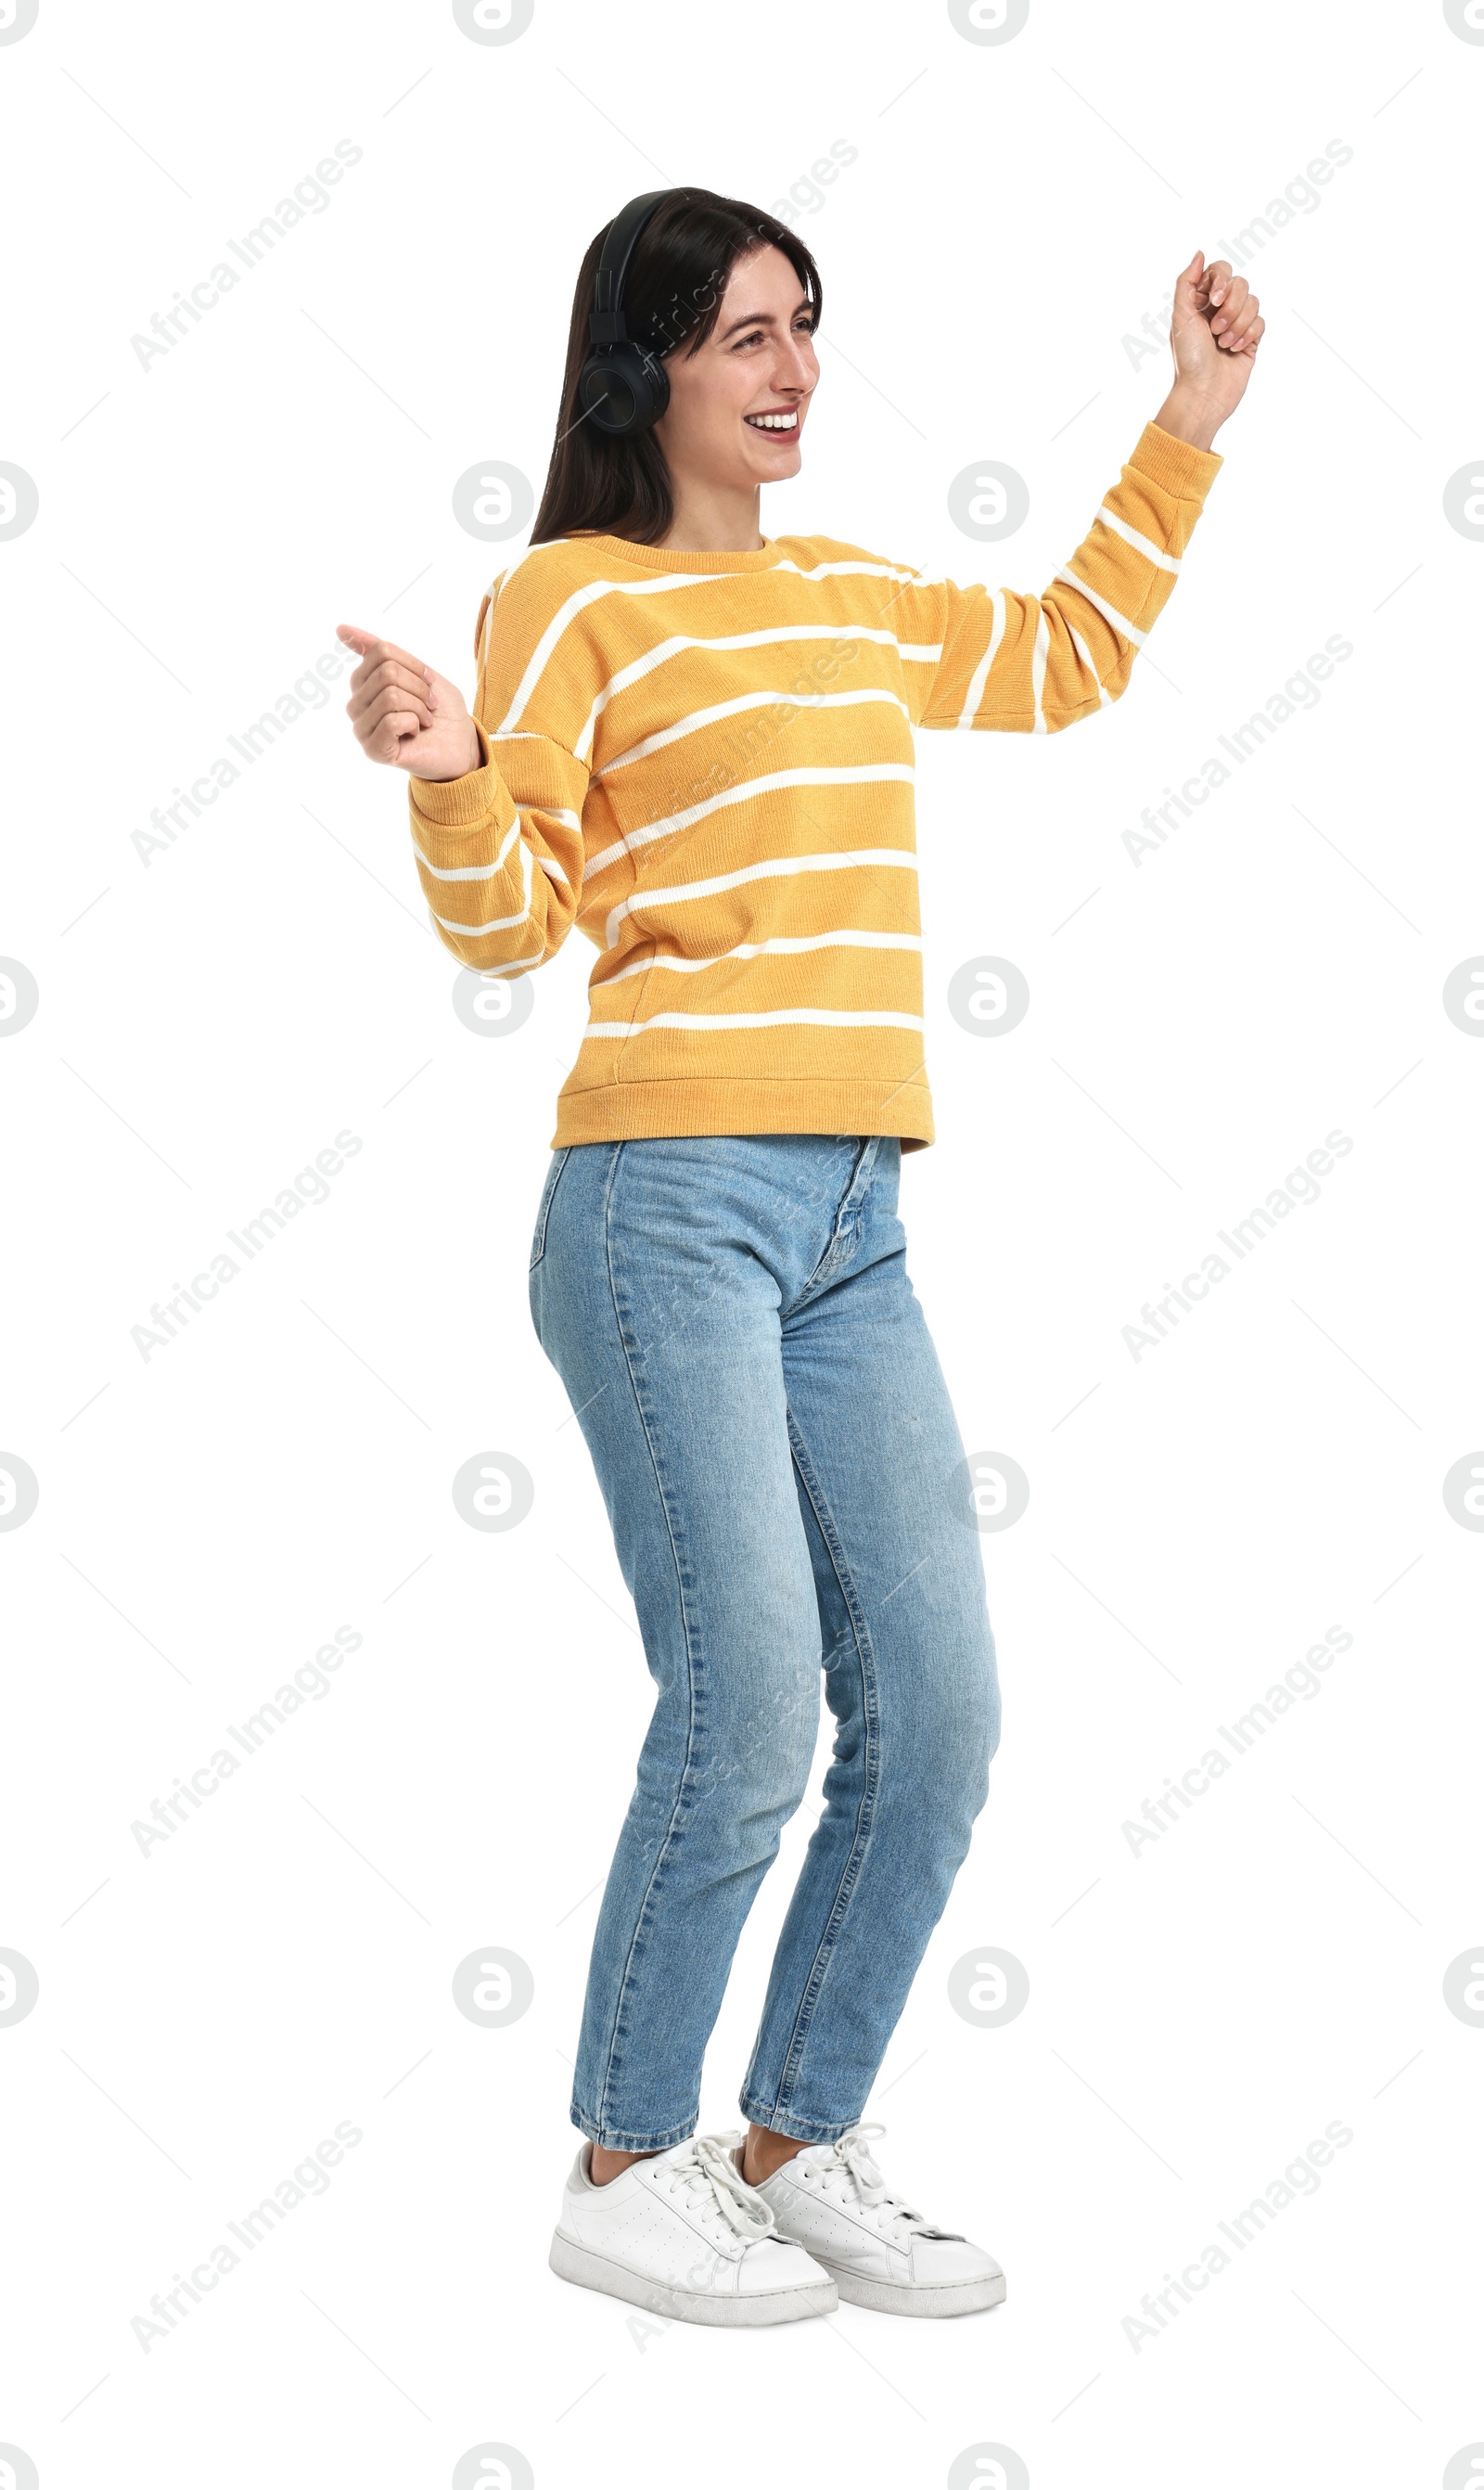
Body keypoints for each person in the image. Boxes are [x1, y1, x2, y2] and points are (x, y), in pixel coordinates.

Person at [339, 187, 1261, 2328]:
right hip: (662, 1200)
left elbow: (1065, 654)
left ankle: (790, 2134)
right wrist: (453, 776)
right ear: (647, 363)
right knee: (749, 1701)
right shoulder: (566, 602)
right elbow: (504, 931)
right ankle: (619, 2155)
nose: (792, 374)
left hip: (856, 1221)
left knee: (937, 1706)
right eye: (746, 334)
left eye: (806, 330)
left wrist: (1187, 421)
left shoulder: (846, 596)